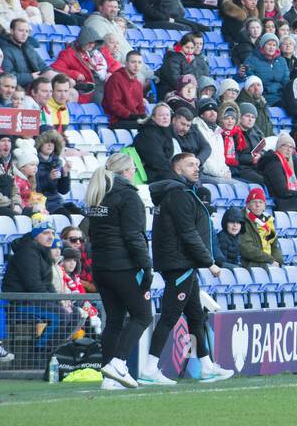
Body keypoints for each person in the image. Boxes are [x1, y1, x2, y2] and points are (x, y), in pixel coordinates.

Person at [141, 152, 233, 385]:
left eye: (198, 165)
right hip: (179, 263)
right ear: (177, 169)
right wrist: (209, 262)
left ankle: (206, 365)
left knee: (195, 315)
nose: (196, 168)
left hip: (183, 263)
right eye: (190, 165)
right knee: (170, 315)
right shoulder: (179, 195)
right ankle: (149, 368)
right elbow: (188, 233)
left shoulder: (181, 193)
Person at [83, 152, 153, 390]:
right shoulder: (128, 197)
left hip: (101, 267)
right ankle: (118, 363)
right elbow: (134, 236)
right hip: (123, 266)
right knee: (143, 315)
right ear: (125, 171)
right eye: (133, 168)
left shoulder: (98, 196)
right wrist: (147, 266)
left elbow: (90, 235)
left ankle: (109, 380)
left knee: (113, 321)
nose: (134, 172)